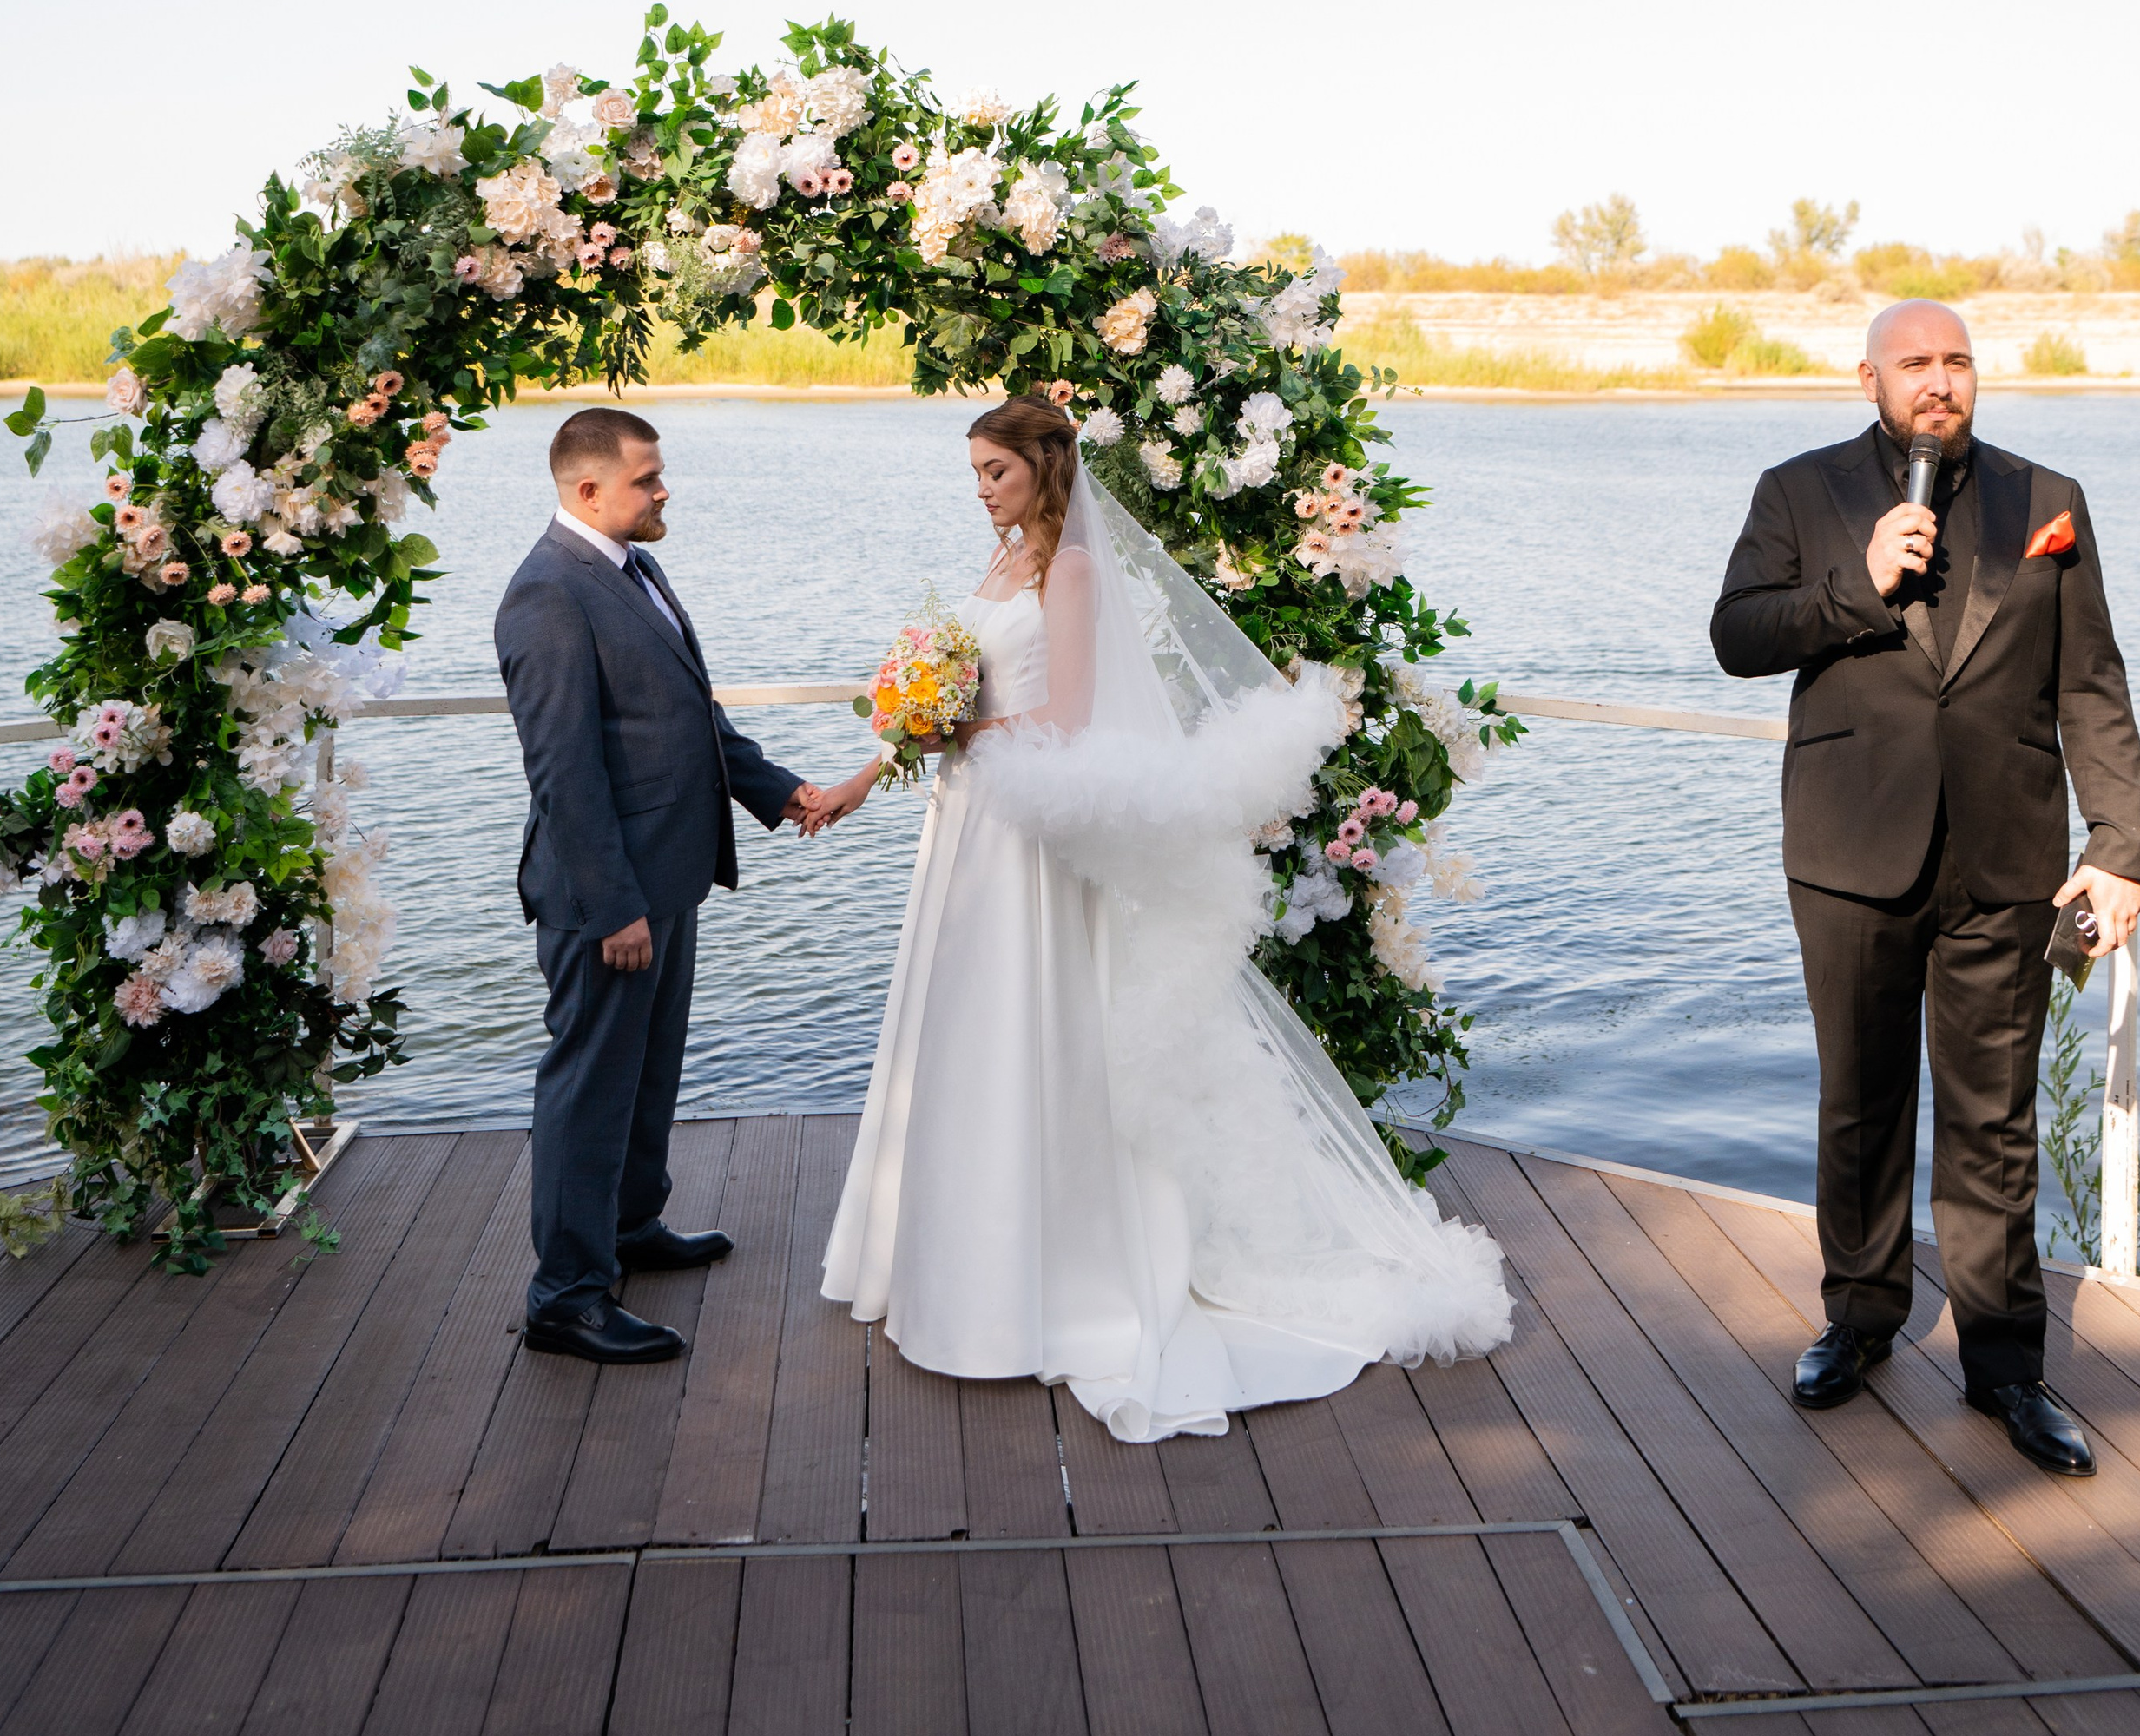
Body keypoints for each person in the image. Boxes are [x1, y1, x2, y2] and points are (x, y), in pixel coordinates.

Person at [802, 393, 1511, 1443]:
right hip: (969, 825)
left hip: (1032, 828)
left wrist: (962, 731)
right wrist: (870, 771)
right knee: (962, 1029)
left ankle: (1061, 1274)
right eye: (975, 474)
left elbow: (1066, 718)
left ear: (1045, 467)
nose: (983, 491)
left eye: (997, 471)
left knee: (1033, 1023)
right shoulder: (999, 563)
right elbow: (947, 701)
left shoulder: (1070, 571)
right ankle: (947, 1266)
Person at [1712, 301, 2140, 1474]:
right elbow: (1738, 635)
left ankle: (2005, 1365)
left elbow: (2091, 684)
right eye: (1914, 362)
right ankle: (1859, 1318)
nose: (1939, 380)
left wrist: (2119, 843)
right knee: (1859, 1099)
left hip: (2008, 863)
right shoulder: (1797, 491)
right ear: (1868, 378)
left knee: (1993, 1120)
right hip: (1849, 851)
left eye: (1957, 360)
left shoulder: (2046, 497)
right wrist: (1856, 584)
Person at [497, 408, 821, 1364]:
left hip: (667, 873)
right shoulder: (548, 592)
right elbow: (564, 772)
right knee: (590, 1087)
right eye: (646, 478)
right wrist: (614, 907)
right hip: (608, 896)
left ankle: (629, 1227)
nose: (662, 489)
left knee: (647, 1073)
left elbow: (686, 716)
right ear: (588, 488)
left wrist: (779, 791)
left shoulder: (633, 567)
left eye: (659, 473)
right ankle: (565, 1295)